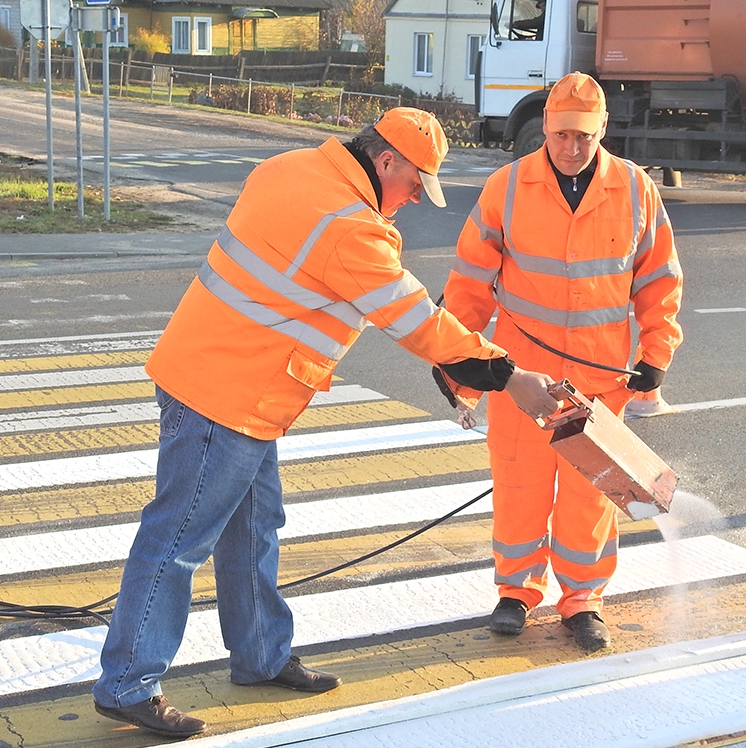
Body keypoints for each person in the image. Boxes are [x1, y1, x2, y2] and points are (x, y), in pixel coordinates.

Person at [92, 107, 561, 739]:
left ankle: (260, 657)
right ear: (386, 160)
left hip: (230, 382)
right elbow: (416, 320)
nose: (418, 194)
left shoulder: (290, 168)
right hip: (225, 394)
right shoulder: (351, 228)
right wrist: (508, 376)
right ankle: (127, 683)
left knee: (254, 527)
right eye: (417, 180)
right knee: (177, 542)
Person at [437, 72, 683, 653]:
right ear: (544, 130)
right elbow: (470, 282)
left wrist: (656, 355)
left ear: (602, 131)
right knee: (519, 482)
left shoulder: (634, 189)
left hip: (601, 377)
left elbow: (658, 279)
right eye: (561, 136)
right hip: (521, 374)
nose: (572, 148)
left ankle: (584, 600)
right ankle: (517, 591)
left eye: (583, 137)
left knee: (589, 492)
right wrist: (458, 365)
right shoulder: (508, 187)